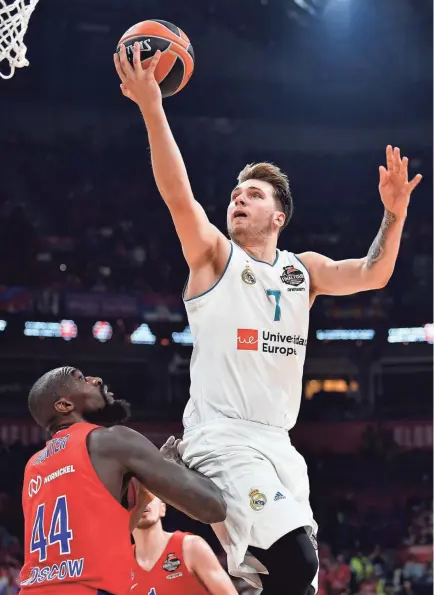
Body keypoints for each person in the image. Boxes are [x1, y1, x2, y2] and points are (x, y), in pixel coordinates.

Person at [114, 43, 422, 595]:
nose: (238, 198)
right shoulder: (213, 257)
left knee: (287, 583)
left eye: (252, 195)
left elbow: (373, 273)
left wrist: (393, 215)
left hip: (280, 444)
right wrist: (151, 106)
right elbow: (178, 195)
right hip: (222, 439)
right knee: (295, 561)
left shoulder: (304, 270)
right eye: (235, 193)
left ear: (278, 215)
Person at [19, 366, 226, 595]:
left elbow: (107, 538)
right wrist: (183, 465)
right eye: (81, 379)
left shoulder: (34, 465)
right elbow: (212, 507)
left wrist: (147, 491)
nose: (96, 379)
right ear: (65, 405)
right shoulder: (111, 440)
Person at [131, 495, 238, 594]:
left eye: (149, 496)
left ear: (162, 508)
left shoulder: (191, 547)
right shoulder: (120, 566)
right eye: (135, 499)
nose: (144, 502)